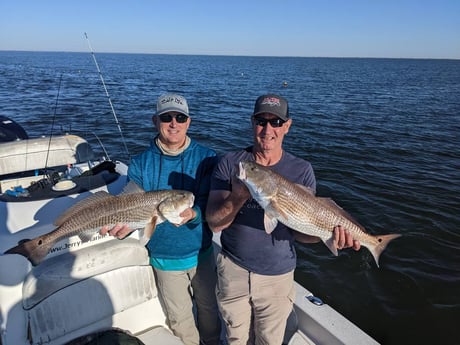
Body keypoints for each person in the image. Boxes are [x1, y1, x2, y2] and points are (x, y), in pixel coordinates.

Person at [205, 93, 361, 345]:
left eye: (276, 122)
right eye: (260, 121)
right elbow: (214, 223)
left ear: (287, 126)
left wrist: (330, 236)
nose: (267, 130)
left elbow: (302, 232)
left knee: (270, 340)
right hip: (233, 270)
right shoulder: (230, 163)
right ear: (252, 123)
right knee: (235, 338)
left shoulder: (302, 170)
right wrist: (237, 197)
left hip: (277, 277)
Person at [101, 93, 221, 345]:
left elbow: (213, 202)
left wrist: (195, 213)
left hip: (202, 252)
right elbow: (131, 205)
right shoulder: (141, 163)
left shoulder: (208, 158)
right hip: (165, 259)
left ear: (189, 122)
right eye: (167, 117)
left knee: (210, 311)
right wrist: (125, 227)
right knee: (180, 319)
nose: (174, 123)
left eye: (180, 117)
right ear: (155, 121)